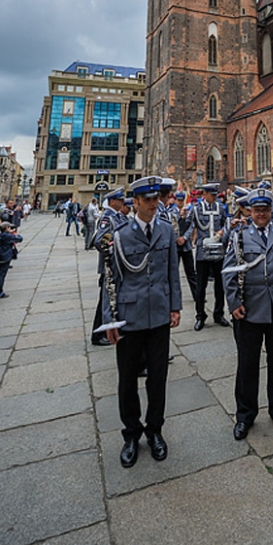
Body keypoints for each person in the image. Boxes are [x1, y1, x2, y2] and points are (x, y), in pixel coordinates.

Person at [102, 176, 182, 469]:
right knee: (127, 381)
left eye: (155, 199)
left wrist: (175, 306)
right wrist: (110, 320)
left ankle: (155, 431)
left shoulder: (166, 230)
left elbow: (172, 271)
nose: (153, 204)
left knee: (158, 378)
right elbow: (110, 280)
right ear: (134, 202)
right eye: (147, 200)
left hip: (159, 314)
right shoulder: (120, 235)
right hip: (130, 316)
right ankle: (131, 434)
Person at [222, 189, 273, 439]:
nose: (261, 214)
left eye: (265, 210)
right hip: (248, 309)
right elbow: (228, 271)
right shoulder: (240, 235)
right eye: (257, 210)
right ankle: (245, 415)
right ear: (250, 211)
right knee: (247, 365)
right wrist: (233, 303)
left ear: (271, 211)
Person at [89, 188, 130, 346]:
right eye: (120, 200)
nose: (122, 202)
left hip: (116, 265)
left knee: (108, 300)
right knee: (104, 301)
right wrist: (115, 250)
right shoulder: (108, 217)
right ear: (112, 201)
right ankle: (98, 334)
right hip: (109, 265)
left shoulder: (117, 216)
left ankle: (105, 330)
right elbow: (100, 241)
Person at [190, 183, 229, 331]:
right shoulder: (196, 209)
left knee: (220, 284)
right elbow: (190, 225)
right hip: (203, 250)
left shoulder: (220, 208)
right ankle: (200, 315)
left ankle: (219, 313)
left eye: (215, 195)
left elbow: (225, 224)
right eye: (212, 195)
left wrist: (222, 232)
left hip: (218, 249)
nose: (214, 197)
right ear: (204, 194)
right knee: (201, 285)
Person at [168, 190, 197, 299]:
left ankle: (196, 295)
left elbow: (191, 226)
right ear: (175, 200)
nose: (180, 202)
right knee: (173, 272)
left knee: (191, 272)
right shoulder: (171, 212)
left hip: (186, 245)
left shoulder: (189, 211)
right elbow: (170, 226)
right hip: (175, 245)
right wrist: (176, 238)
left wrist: (184, 237)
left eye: (181, 200)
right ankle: (173, 296)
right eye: (178, 200)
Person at [0, 222, 23, 298]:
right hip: (6, 256)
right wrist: (14, 233)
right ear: (6, 228)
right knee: (2, 275)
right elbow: (19, 239)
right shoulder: (8, 236)